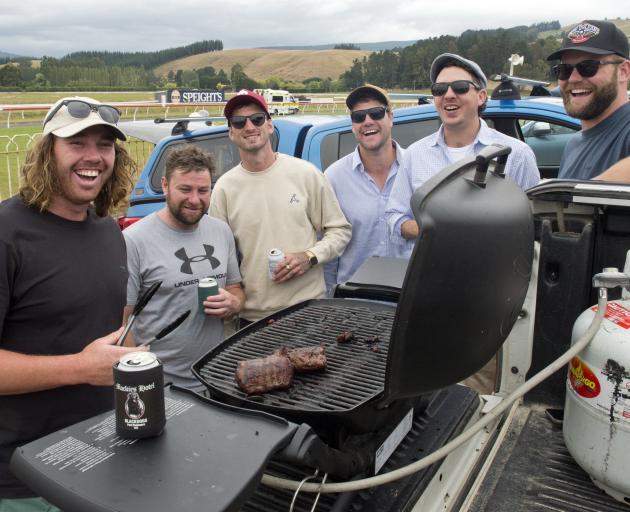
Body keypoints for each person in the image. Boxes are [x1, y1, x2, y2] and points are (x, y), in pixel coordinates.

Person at [0, 97, 144, 509]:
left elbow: (113, 321)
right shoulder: (7, 234)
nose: (94, 157)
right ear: (47, 151)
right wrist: (80, 368)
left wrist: (133, 356)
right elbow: (85, 362)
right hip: (23, 478)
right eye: (77, 142)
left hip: (103, 451)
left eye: (105, 144)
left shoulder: (108, 232)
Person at [209, 90, 351, 325]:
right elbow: (219, 258)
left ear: (270, 125)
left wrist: (310, 256)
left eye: (257, 119)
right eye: (239, 122)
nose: (249, 126)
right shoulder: (224, 189)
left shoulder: (305, 174)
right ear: (231, 132)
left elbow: (340, 231)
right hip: (252, 319)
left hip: (307, 310)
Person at [123, 145, 244, 392]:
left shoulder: (220, 232)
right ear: (166, 185)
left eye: (203, 190)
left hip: (214, 376)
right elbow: (123, 321)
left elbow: (235, 288)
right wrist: (142, 377)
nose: (195, 199)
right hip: (162, 383)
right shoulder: (133, 240)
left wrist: (234, 304)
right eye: (185, 189)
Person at [386, 53, 540, 245]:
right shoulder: (414, 155)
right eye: (439, 89)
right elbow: (394, 216)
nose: (449, 95)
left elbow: (534, 224)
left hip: (494, 272)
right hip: (430, 271)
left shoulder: (517, 154)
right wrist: (429, 228)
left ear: (481, 96)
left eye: (460, 87)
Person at [323, 84, 407, 288]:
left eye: (376, 113)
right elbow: (328, 251)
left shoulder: (418, 169)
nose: (367, 121)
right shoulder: (333, 177)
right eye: (358, 116)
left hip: (411, 300)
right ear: (352, 125)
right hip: (355, 304)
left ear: (391, 117)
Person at [547, 19, 630, 180]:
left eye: (588, 67)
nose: (573, 78)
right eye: (565, 69)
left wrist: (583, 193)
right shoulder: (573, 145)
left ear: (623, 71)